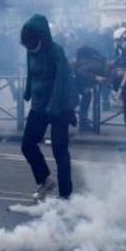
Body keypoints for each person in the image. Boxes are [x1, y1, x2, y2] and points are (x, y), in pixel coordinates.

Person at [19, 14, 76, 201]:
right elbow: (31, 73)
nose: (31, 49)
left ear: (42, 38)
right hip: (39, 105)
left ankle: (65, 195)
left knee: (60, 150)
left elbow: (62, 80)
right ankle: (45, 180)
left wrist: (54, 106)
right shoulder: (30, 50)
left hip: (59, 107)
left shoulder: (56, 51)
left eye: (32, 44)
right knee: (27, 144)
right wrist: (28, 91)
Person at [72, 45, 107, 132]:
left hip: (77, 83)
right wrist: (96, 77)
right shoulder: (97, 66)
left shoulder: (91, 62)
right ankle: (82, 123)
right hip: (75, 83)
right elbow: (82, 72)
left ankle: (83, 123)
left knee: (84, 98)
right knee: (73, 103)